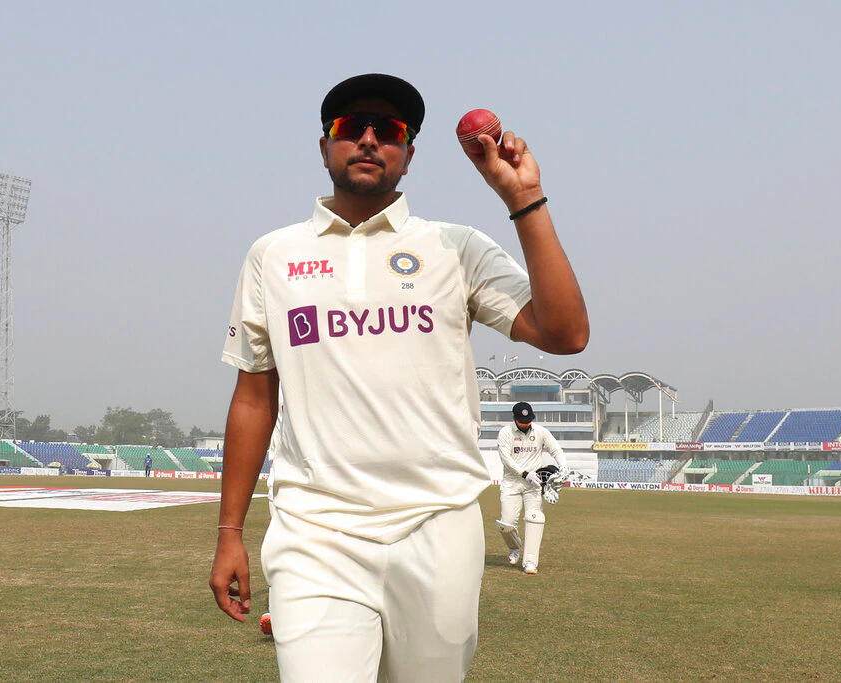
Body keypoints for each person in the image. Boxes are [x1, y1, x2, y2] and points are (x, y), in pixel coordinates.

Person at [209, 73, 589, 681]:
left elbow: (566, 333)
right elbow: (255, 398)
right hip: (316, 528)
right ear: (324, 146)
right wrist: (230, 531)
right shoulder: (272, 255)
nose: (367, 139)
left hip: (438, 525)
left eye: (387, 131)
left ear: (408, 155)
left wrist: (524, 199)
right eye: (348, 127)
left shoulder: (454, 247)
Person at [496, 401, 570, 575]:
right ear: (514, 419)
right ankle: (514, 548)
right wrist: (524, 473)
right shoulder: (505, 433)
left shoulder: (540, 431)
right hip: (512, 482)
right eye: (522, 422)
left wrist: (564, 466)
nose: (525, 424)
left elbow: (556, 450)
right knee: (506, 524)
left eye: (528, 421)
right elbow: (506, 459)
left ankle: (530, 562)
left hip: (535, 483)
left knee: (534, 518)